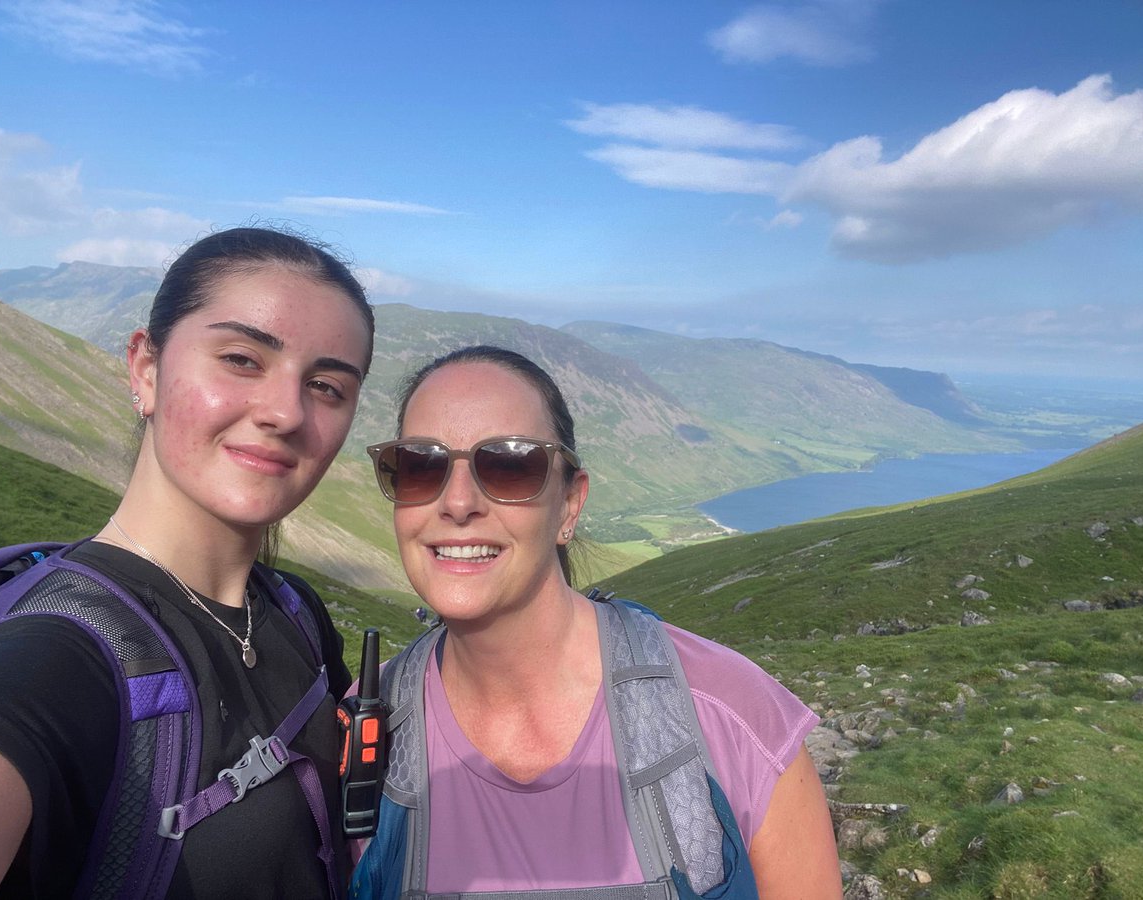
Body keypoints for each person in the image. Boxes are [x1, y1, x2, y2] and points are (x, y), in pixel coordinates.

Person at [0, 226, 375, 899]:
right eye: (241, 359)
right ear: (146, 370)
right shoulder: (56, 661)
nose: (285, 411)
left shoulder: (295, 610)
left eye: (327, 387)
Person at [353, 345, 842, 898]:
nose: (458, 501)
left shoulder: (731, 714)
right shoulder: (362, 736)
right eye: (421, 465)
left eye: (511, 464)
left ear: (568, 506)